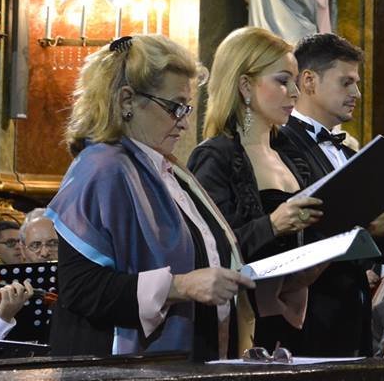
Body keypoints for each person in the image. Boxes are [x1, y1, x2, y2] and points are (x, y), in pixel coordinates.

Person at [45, 35, 256, 360]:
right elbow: (81, 288)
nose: (185, 123)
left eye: (188, 108)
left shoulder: (167, 169)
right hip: (117, 363)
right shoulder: (103, 167)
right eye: (175, 107)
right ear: (127, 100)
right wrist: (181, 287)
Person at [273, 33, 384, 356]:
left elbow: (377, 243)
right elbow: (301, 234)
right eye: (346, 82)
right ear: (308, 81)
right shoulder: (280, 144)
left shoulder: (351, 155)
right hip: (310, 318)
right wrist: (367, 223)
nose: (357, 93)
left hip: (354, 317)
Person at [189, 26, 324, 351]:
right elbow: (208, 251)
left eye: (295, 80)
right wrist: (273, 225)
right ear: (245, 85)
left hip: (302, 315)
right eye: (282, 80)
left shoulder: (292, 155)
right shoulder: (216, 157)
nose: (295, 92)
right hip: (244, 324)